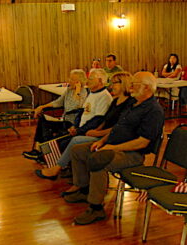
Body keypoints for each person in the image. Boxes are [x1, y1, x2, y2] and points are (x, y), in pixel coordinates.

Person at [66, 72, 163, 226]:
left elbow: (142, 142)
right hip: (114, 146)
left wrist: (112, 147)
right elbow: (117, 127)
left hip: (132, 154)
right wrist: (103, 141)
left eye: (134, 84)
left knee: (99, 160)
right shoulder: (133, 103)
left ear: (146, 88)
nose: (130, 87)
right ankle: (84, 189)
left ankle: (96, 207)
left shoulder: (153, 111)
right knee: (77, 150)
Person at [35, 72, 133, 181]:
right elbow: (87, 114)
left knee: (73, 141)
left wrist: (90, 131)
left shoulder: (108, 98)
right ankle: (54, 164)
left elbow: (112, 124)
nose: (87, 81)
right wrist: (78, 127)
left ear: (100, 81)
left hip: (106, 137)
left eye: (114, 83)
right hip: (87, 129)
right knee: (55, 135)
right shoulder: (111, 100)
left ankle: (58, 168)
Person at [23, 69, 88, 160]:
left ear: (79, 82)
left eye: (72, 79)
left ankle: (43, 154)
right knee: (43, 120)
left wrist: (77, 91)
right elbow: (58, 102)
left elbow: (75, 106)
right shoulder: (69, 90)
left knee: (47, 127)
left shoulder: (83, 93)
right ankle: (38, 149)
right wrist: (42, 106)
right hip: (63, 120)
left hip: (72, 123)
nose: (69, 81)